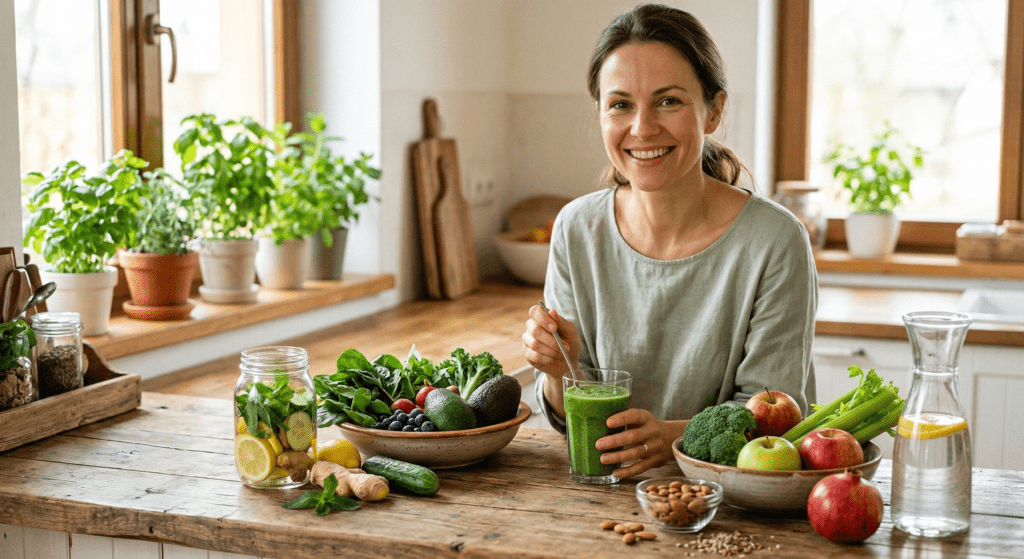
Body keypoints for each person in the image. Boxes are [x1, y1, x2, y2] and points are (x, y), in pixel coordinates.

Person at [521, 4, 817, 480]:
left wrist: (672, 438)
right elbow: (567, 415)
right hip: (600, 504)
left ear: (713, 110)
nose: (642, 128)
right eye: (620, 104)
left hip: (733, 504)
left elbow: (773, 420)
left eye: (668, 101)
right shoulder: (576, 228)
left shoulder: (775, 241)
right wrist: (560, 367)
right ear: (600, 113)